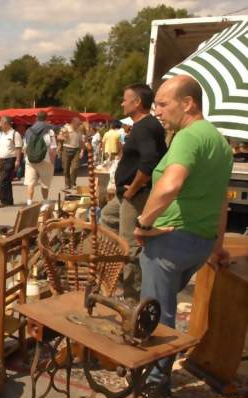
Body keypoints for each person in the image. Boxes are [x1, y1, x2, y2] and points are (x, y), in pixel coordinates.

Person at [134, 75, 233, 382]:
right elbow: (220, 203)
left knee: (157, 314)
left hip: (169, 242)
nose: (157, 112)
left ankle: (155, 384)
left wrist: (143, 222)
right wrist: (216, 247)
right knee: (164, 306)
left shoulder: (189, 136)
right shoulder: (220, 143)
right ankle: (156, 373)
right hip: (198, 244)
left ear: (188, 103)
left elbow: (170, 185)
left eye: (163, 104)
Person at [100, 84, 167, 299]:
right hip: (126, 194)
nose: (122, 103)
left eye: (125, 99)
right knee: (106, 218)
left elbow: (149, 162)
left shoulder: (145, 126)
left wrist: (134, 190)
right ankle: (118, 275)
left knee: (129, 244)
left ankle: (132, 295)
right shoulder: (144, 126)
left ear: (137, 102)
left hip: (134, 195)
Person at [23, 111, 57, 203]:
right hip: (45, 160)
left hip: (30, 160)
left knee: (30, 183)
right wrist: (52, 162)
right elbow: (53, 148)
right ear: (46, 119)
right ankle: (45, 202)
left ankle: (29, 202)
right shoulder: (50, 131)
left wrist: (26, 159)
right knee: (45, 184)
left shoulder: (28, 131)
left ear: (36, 118)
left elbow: (25, 147)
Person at [0, 116, 22, 207]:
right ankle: (9, 200)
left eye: (1, 123)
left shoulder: (15, 134)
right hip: (2, 159)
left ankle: (3, 201)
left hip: (10, 159)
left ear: (6, 123)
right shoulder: (1, 134)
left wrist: (17, 160)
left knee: (3, 180)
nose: (0, 125)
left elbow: (18, 148)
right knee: (6, 181)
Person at [57, 117, 84, 189]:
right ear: (73, 123)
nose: (79, 125)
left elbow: (81, 141)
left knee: (75, 167)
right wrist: (64, 137)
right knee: (66, 168)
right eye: (78, 124)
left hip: (76, 150)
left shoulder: (79, 130)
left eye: (79, 124)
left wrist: (82, 151)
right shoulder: (65, 128)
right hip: (66, 149)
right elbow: (58, 137)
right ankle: (67, 183)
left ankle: (73, 183)